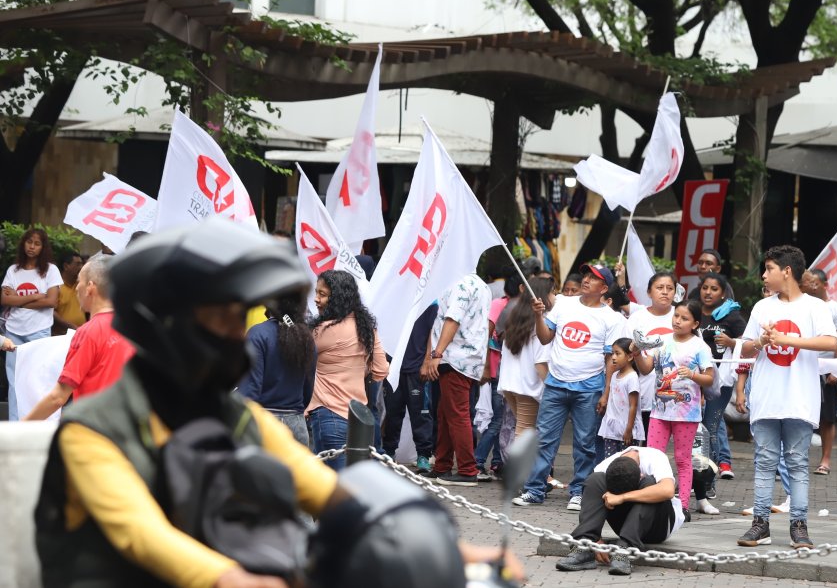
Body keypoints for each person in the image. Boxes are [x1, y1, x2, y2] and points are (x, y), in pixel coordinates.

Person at [34, 219, 523, 588]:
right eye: (221, 321)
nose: (235, 337)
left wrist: (442, 549)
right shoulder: (92, 431)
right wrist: (233, 579)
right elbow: (140, 533)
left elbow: (325, 490)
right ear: (165, 326)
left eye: (238, 320)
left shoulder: (235, 419)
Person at [734, 245, 837, 549]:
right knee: (764, 463)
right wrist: (762, 340)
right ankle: (760, 524)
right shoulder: (762, 307)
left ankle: (799, 526)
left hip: (799, 399)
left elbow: (830, 342)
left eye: (769, 269)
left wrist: (787, 339)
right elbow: (745, 348)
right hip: (766, 397)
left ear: (787, 271)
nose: (764, 276)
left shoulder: (816, 307)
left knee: (798, 464)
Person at [514, 264, 627, 511]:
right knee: (544, 439)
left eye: (593, 278)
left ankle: (579, 491)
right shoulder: (564, 304)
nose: (586, 280)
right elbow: (545, 337)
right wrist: (538, 316)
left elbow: (611, 359)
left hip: (589, 388)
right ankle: (534, 489)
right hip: (555, 383)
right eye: (586, 275)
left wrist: (606, 392)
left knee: (585, 443)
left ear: (604, 288)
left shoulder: (613, 319)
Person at [23, 255, 134, 420]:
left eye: (79, 281)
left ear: (90, 287)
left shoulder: (89, 332)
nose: (76, 288)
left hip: (93, 426)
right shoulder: (131, 327)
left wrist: (21, 425)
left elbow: (58, 396)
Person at [554, 446, 684, 576]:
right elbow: (591, 501)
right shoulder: (605, 465)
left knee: (651, 483)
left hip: (659, 525)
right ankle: (585, 545)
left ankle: (624, 549)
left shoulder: (655, 457)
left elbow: (668, 491)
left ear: (640, 475)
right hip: (623, 524)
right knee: (595, 479)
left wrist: (622, 497)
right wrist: (596, 540)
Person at [638, 301, 715, 520]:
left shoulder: (700, 347)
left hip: (687, 414)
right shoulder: (661, 341)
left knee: (682, 459)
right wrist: (636, 353)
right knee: (652, 457)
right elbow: (646, 369)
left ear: (695, 324)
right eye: (676, 316)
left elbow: (709, 379)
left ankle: (682, 506)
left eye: (684, 318)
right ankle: (651, 501)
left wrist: (692, 375)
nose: (678, 321)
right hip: (659, 411)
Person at [307, 270, 389, 471]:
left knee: (334, 482)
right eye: (316, 293)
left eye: (322, 294)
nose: (316, 299)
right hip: (357, 418)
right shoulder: (366, 328)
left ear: (337, 298)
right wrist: (358, 368)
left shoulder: (322, 330)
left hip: (327, 413)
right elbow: (381, 370)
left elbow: (297, 356)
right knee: (351, 479)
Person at [423, 272, 491, 486]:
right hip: (466, 357)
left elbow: (453, 319)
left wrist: (437, 353)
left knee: (456, 414)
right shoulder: (481, 284)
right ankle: (442, 465)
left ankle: (467, 470)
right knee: (446, 413)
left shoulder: (460, 283)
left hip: (455, 357)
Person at [239, 290, 318, 446]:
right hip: (297, 425)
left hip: (265, 424)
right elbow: (307, 391)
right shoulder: (306, 339)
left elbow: (251, 390)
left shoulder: (257, 334)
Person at [3, 227, 62, 420]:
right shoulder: (13, 270)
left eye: (37, 243)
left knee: (38, 380)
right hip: (13, 331)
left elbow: (51, 301)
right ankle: (15, 425)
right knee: (14, 380)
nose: (32, 247)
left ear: (43, 247)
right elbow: (4, 299)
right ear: (23, 244)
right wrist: (36, 296)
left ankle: (37, 424)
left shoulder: (50, 270)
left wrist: (18, 300)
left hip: (39, 330)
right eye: (29, 242)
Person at [697, 271, 746, 480]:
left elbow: (747, 346)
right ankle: (698, 473)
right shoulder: (693, 311)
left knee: (711, 425)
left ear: (723, 293)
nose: (708, 292)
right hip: (694, 378)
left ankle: (709, 474)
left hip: (721, 381)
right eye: (705, 288)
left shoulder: (732, 316)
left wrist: (731, 342)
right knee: (695, 428)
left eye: (714, 289)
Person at [381, 303, 437, 472]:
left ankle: (423, 455)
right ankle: (389, 452)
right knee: (392, 413)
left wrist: (427, 360)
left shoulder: (430, 302)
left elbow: (433, 332)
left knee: (421, 415)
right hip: (393, 367)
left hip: (417, 368)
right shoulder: (395, 300)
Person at [497, 276, 553, 438]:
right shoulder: (542, 323)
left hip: (510, 384)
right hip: (528, 387)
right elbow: (541, 363)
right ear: (543, 296)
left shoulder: (516, 318)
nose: (555, 297)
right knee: (524, 434)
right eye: (553, 292)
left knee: (523, 432)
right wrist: (553, 389)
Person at [803, 268, 837, 476]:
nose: (811, 286)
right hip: (805, 366)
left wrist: (836, 369)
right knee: (803, 414)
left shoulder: (835, 309)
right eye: (808, 282)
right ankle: (799, 458)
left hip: (826, 368)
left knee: (827, 417)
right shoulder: (803, 306)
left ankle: (825, 460)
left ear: (824, 285)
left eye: (814, 282)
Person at [476, 276, 519, 481]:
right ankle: (477, 462)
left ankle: (497, 462)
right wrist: (485, 367)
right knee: (498, 420)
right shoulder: (500, 305)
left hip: (508, 372)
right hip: (497, 371)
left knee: (505, 421)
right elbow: (487, 334)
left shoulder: (516, 306)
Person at [626, 272, 676, 439]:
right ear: (649, 292)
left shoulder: (682, 315)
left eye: (670, 288)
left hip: (678, 396)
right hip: (644, 393)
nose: (665, 292)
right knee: (643, 443)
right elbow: (625, 355)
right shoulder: (637, 318)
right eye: (659, 287)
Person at [598, 338, 643, 457]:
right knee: (610, 460)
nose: (613, 357)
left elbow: (633, 406)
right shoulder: (614, 375)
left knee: (626, 461)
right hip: (612, 428)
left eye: (617, 354)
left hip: (627, 429)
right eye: (612, 353)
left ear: (630, 357)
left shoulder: (632, 378)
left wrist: (629, 429)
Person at [52, 250, 85, 336]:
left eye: (81, 264)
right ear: (66, 266)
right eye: (77, 264)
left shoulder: (81, 285)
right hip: (61, 336)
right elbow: (51, 312)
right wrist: (72, 327)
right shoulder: (55, 287)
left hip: (81, 334)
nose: (81, 267)